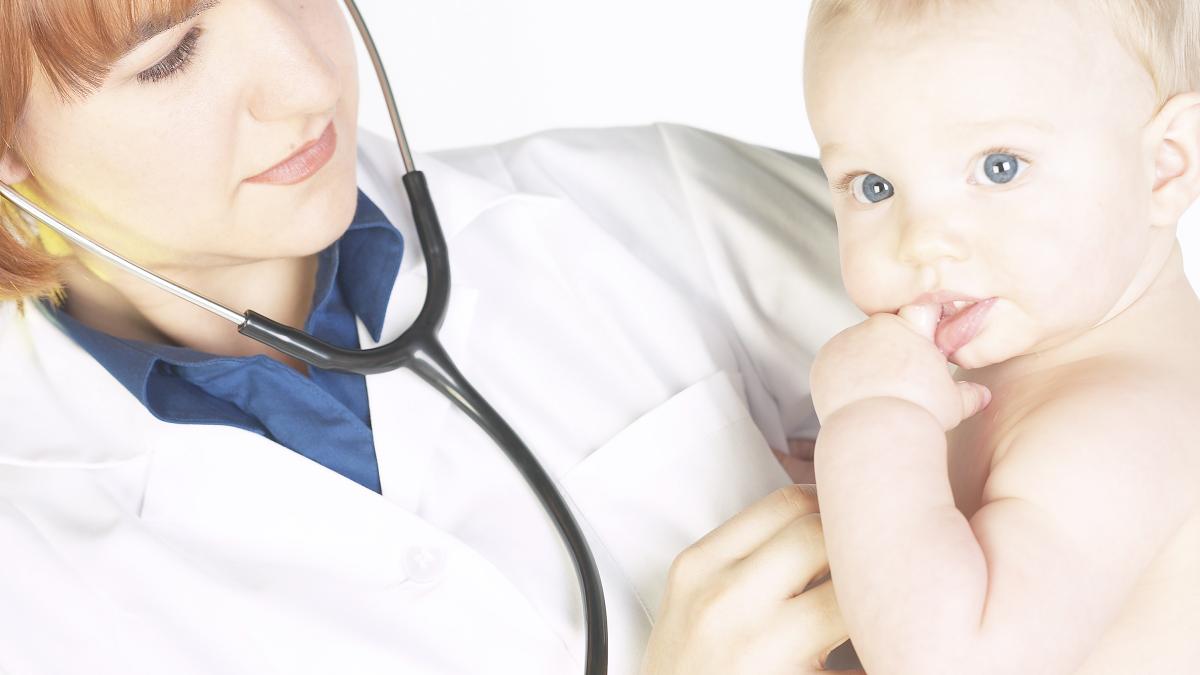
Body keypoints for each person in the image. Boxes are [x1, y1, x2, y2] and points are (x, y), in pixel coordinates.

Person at [0, 1, 866, 673]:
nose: (306, 81)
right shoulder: (27, 596)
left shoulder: (636, 204)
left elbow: (996, 288)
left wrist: (922, 475)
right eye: (171, 56)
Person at [800, 0, 1200, 673]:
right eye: (874, 186)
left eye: (999, 168)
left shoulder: (1118, 420)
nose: (921, 241)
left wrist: (873, 423)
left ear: (1164, 164)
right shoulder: (1056, 356)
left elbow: (954, 661)